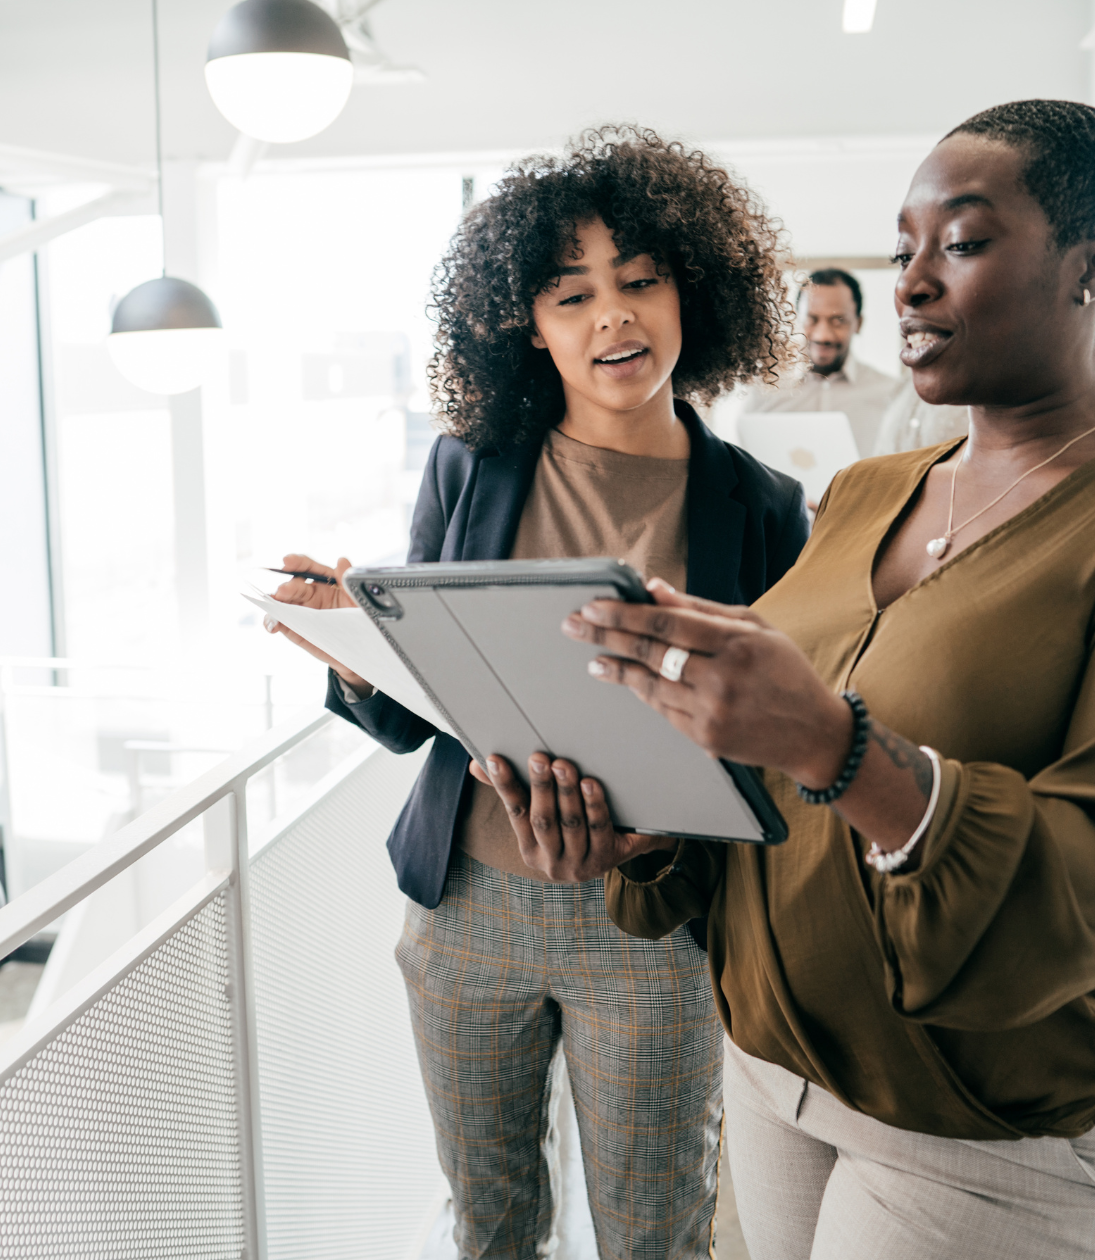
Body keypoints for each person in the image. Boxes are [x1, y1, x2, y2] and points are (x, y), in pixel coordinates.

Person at [475, 100, 1095, 1259]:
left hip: (983, 1131)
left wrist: (838, 749)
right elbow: (762, 801)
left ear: (1090, 271)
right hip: (772, 1075)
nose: (907, 283)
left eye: (957, 243)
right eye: (900, 247)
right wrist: (647, 837)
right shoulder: (865, 494)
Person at [266, 125, 810, 1260]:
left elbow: (777, 745)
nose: (611, 316)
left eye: (639, 282)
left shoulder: (760, 506)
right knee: (492, 1227)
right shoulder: (468, 463)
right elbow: (423, 709)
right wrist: (356, 646)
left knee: (656, 1236)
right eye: (571, 296)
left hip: (652, 927)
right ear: (528, 326)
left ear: (689, 296)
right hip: (466, 907)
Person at [725, 268, 967, 460]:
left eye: (838, 320)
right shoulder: (764, 392)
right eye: (812, 319)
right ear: (797, 320)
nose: (823, 335)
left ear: (858, 323)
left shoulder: (890, 393)